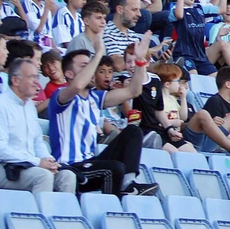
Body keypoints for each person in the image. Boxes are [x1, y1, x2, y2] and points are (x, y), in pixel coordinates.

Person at [47, 38, 157, 195]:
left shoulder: (95, 97)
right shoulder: (60, 96)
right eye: (85, 66)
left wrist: (140, 62)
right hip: (70, 167)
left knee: (133, 132)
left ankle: (128, 185)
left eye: (92, 65)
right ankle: (113, 205)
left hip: (91, 163)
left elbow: (134, 91)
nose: (92, 70)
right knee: (113, 168)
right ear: (69, 74)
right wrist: (99, 53)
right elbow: (77, 86)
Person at [0, 55, 78, 193]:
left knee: (67, 176)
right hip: (1, 167)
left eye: (36, 77)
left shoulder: (29, 106)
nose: (36, 82)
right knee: (43, 176)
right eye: (31, 77)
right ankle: (42, 208)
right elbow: (0, 150)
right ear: (15, 80)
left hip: (28, 165)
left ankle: (60, 208)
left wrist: (48, 160)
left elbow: (37, 141)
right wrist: (37, 162)